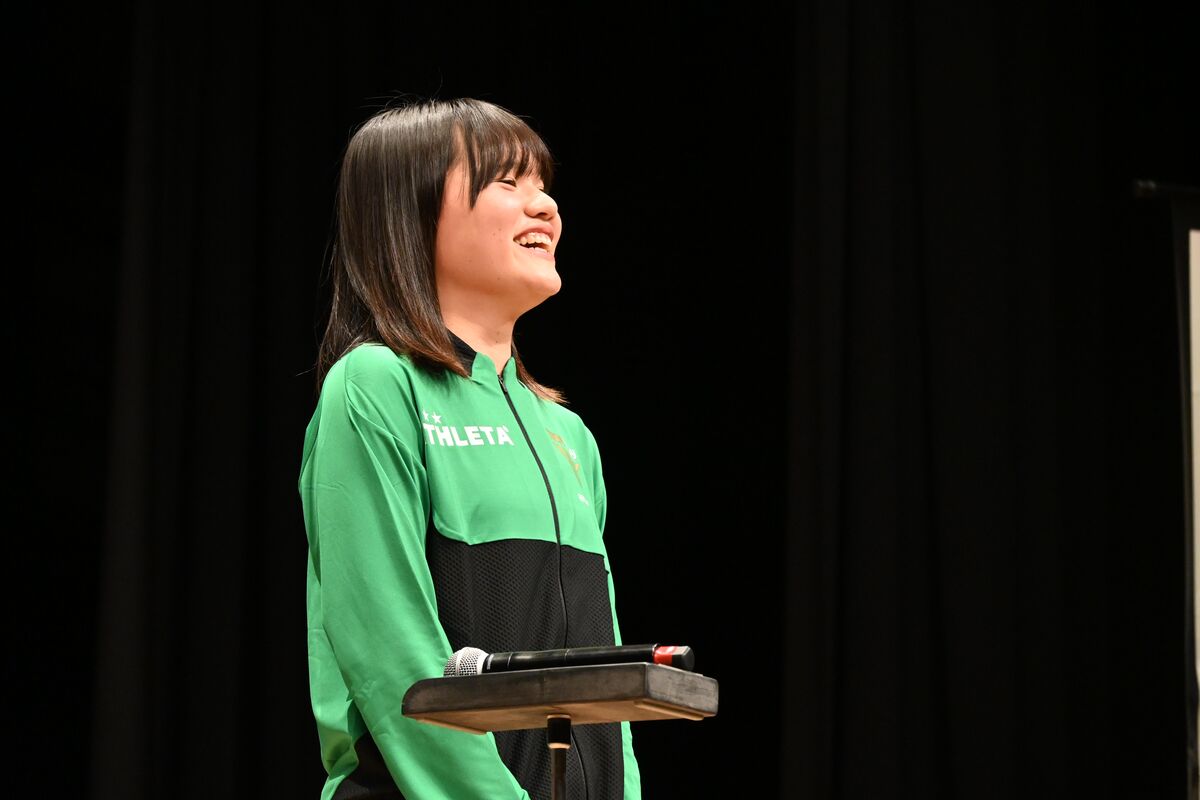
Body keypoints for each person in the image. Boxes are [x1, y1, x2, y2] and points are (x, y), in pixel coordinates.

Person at [298, 98, 642, 800]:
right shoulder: (376, 386)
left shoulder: (569, 434)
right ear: (411, 212)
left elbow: (605, 687)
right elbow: (391, 654)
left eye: (543, 184)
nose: (545, 206)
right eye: (507, 182)